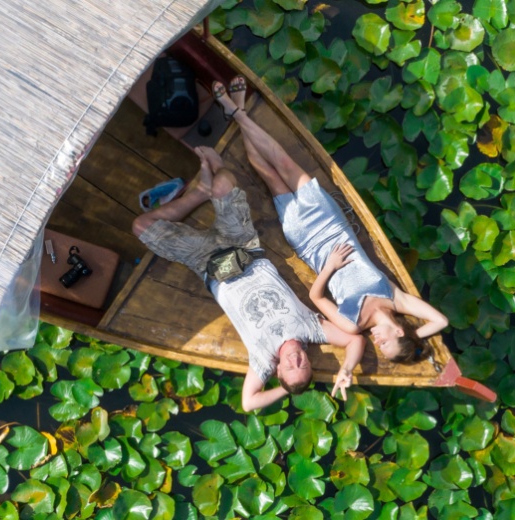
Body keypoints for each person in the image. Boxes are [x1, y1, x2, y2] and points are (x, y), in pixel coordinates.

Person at [212, 78, 451, 380]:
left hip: (307, 241)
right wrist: (419, 341)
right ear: (400, 330)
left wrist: (330, 267)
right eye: (386, 343)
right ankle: (236, 110)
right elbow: (439, 320)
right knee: (284, 162)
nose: (378, 344)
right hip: (331, 221)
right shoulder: (397, 299)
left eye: (380, 348)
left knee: (266, 172)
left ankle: (237, 110)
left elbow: (316, 297)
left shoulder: (354, 324)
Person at [130, 146, 367, 408]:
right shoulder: (311, 329)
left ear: (278, 373)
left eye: (290, 368)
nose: (295, 360)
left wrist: (288, 390)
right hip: (243, 245)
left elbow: (248, 403)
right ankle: (207, 188)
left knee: (141, 227)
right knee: (222, 183)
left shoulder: (263, 359)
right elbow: (355, 339)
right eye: (303, 363)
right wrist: (346, 369)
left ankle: (198, 193)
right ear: (309, 359)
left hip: (204, 261)